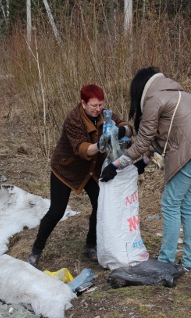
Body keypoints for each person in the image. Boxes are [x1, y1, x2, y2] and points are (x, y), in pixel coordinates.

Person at [100, 67, 191, 271]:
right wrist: (142, 162)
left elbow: (142, 143)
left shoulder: (155, 99)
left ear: (140, 88)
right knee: (187, 204)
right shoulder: (176, 93)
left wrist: (115, 166)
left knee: (170, 203)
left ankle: (165, 261)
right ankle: (190, 263)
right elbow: (160, 141)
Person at [28, 84, 132, 267]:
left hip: (92, 171)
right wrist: (102, 143)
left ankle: (90, 245)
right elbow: (82, 150)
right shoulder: (73, 119)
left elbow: (127, 127)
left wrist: (120, 130)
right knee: (57, 211)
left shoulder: (105, 115)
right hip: (67, 169)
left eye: (100, 105)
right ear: (83, 103)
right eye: (94, 106)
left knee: (100, 206)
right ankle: (36, 251)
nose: (98, 109)